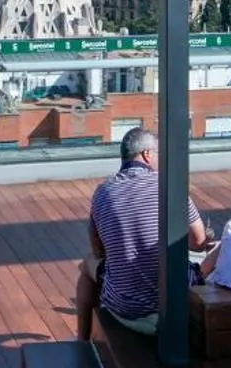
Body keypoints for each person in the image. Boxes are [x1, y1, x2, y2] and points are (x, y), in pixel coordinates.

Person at [76, 126, 209, 339]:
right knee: (203, 260)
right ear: (147, 154)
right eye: (159, 154)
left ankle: (82, 340)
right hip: (173, 305)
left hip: (123, 309)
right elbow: (199, 241)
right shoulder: (169, 186)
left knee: (87, 263)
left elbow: (98, 250)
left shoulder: (102, 192)